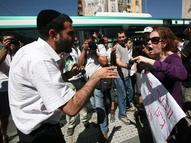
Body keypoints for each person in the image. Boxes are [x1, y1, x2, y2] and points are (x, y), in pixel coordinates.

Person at [8, 9, 117, 143]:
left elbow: (40, 86)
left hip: (34, 129)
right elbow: (71, 108)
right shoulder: (40, 60)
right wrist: (95, 77)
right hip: (40, 135)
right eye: (70, 33)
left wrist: (69, 74)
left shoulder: (30, 50)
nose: (75, 38)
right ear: (53, 34)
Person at [133, 27, 189, 142]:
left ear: (163, 43)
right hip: (159, 110)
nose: (149, 42)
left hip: (171, 111)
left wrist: (151, 62)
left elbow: (182, 74)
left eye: (154, 40)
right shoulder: (156, 57)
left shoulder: (172, 58)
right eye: (149, 40)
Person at [84, 34, 110, 139]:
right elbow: (80, 63)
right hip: (87, 83)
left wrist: (95, 52)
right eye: (87, 43)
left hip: (97, 83)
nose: (89, 44)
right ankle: (101, 123)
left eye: (91, 42)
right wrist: (84, 51)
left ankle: (104, 131)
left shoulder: (100, 47)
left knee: (99, 107)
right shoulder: (84, 51)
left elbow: (105, 62)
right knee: (95, 106)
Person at [0, 33, 21, 143]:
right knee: (3, 116)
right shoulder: (2, 51)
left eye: (11, 41)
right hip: (2, 88)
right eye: (7, 41)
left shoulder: (16, 52)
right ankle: (3, 135)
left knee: (10, 114)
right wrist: (5, 49)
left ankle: (6, 133)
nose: (10, 43)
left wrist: (19, 49)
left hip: (14, 87)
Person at [114, 31, 135, 125]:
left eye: (123, 37)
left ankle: (128, 106)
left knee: (130, 91)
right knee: (122, 95)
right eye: (120, 37)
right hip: (119, 76)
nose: (122, 38)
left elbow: (126, 57)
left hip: (126, 75)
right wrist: (127, 66)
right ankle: (122, 115)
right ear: (117, 38)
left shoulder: (125, 46)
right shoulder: (117, 47)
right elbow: (118, 62)